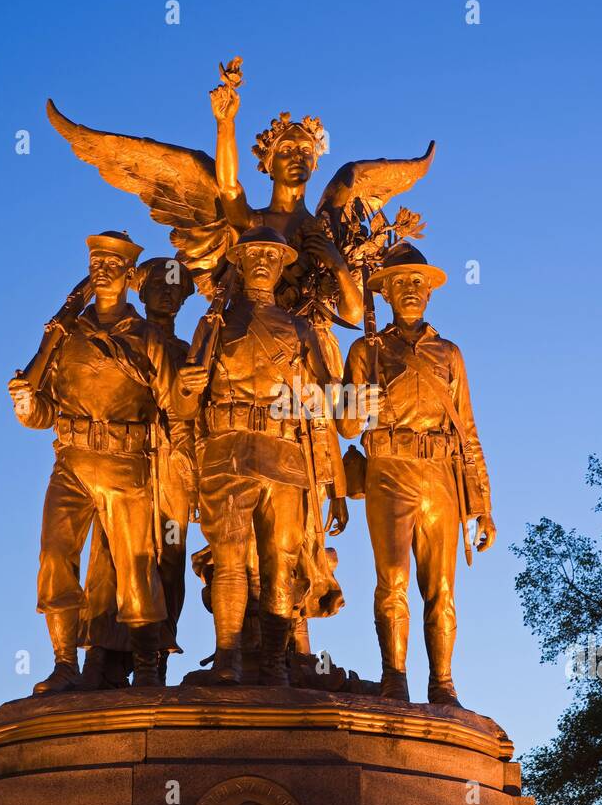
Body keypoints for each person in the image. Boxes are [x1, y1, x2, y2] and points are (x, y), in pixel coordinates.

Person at [7, 231, 206, 692]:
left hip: (126, 463)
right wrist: (23, 405)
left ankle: (149, 666)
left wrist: (186, 467)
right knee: (56, 557)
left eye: (114, 263)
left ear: (126, 273)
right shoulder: (66, 336)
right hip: (71, 462)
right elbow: (44, 414)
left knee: (137, 565)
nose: (103, 269)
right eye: (97, 261)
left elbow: (175, 409)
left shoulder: (147, 339)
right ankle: (64, 665)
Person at [183, 226, 348, 686]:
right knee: (230, 558)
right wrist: (186, 390)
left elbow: (324, 406)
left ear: (280, 266)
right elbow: (183, 406)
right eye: (254, 254)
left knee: (281, 560)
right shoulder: (213, 324)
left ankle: (276, 665)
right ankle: (227, 660)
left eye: (271, 256)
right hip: (227, 450)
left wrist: (332, 481)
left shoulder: (300, 329)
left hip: (285, 455)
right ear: (239, 262)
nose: (262, 261)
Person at [337, 242, 495, 706]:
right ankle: (394, 678)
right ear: (384, 292)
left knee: (441, 588)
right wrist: (359, 401)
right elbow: (346, 426)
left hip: (441, 476)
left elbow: (468, 431)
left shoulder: (449, 353)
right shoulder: (366, 349)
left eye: (418, 283)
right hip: (389, 469)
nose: (411, 290)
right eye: (400, 282)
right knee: (392, 579)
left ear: (429, 293)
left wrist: (482, 505)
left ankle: (442, 684)